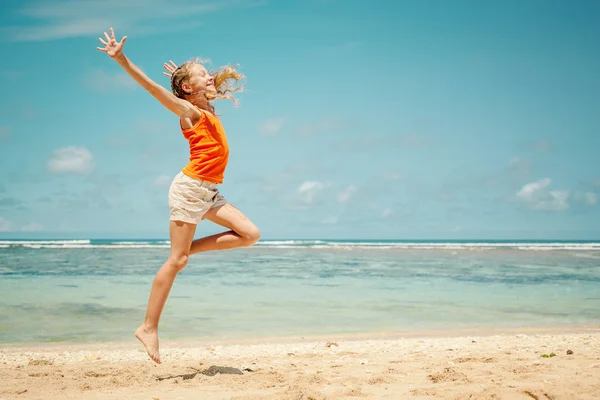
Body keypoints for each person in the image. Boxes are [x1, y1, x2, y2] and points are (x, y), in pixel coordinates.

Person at [96, 28, 260, 364]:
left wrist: (187, 76)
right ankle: (148, 327)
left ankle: (185, 254)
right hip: (189, 190)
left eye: (207, 73)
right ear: (187, 89)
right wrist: (123, 60)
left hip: (209, 192)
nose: (209, 76)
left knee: (249, 235)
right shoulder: (191, 113)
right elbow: (155, 90)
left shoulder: (206, 108)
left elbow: (199, 85)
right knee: (176, 261)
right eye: (202, 75)